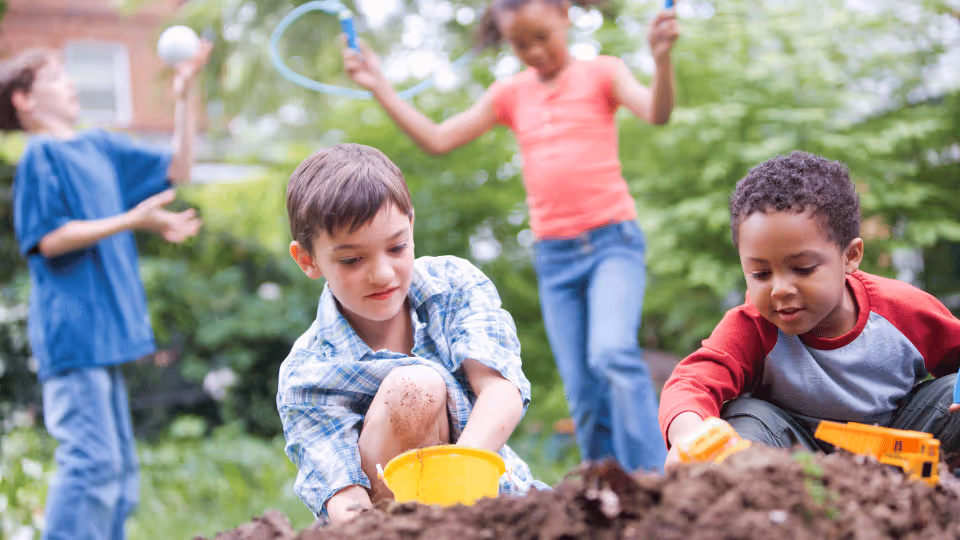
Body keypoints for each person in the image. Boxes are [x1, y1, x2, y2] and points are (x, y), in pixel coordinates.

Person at [340, 0, 679, 473]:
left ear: (564, 14)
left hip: (611, 244)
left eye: (542, 36)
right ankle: (607, 487)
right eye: (520, 44)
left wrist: (661, 58)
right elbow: (438, 139)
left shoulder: (603, 73)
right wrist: (379, 86)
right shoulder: (511, 94)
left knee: (612, 354)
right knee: (581, 385)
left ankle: (653, 478)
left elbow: (657, 112)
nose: (534, 51)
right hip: (556, 257)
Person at [277, 143, 547, 526]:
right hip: (392, 522)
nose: (383, 273)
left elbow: (500, 390)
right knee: (415, 388)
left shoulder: (453, 285)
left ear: (411, 226)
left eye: (397, 247)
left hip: (492, 504)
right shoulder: (308, 373)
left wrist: (458, 475)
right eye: (353, 259)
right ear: (308, 260)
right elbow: (342, 493)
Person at [3, 42, 211, 539]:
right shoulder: (41, 156)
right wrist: (132, 219)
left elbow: (178, 168)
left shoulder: (98, 146)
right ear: (25, 101)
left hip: (105, 339)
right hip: (74, 340)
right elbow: (48, 238)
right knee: (91, 467)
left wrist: (182, 97)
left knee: (118, 474)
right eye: (55, 77)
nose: (70, 82)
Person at [659, 151, 960, 470]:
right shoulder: (753, 326)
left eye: (802, 268)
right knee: (741, 421)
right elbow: (692, 382)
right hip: (793, 461)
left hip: (898, 449)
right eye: (761, 274)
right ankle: (764, 499)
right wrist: (688, 435)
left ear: (850, 256)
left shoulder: (902, 309)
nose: (780, 289)